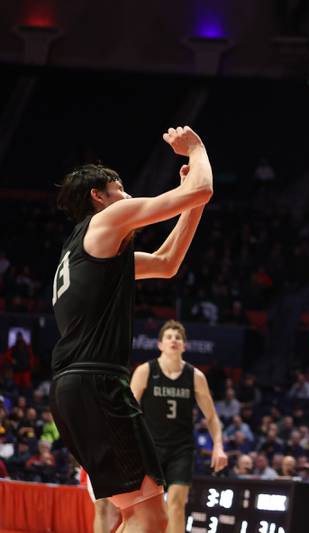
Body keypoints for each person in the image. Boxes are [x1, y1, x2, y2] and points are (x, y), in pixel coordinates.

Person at [49, 126, 213, 532]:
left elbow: (167, 261)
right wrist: (196, 149)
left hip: (76, 388)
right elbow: (203, 189)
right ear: (98, 196)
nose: (127, 196)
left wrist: (191, 204)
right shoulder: (107, 221)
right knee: (148, 518)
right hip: (96, 385)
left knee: (138, 515)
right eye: (120, 188)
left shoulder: (87, 251)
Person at [130, 320, 228, 533]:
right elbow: (128, 412)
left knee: (175, 504)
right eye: (169, 337)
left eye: (178, 337)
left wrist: (218, 446)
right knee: (143, 512)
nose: (174, 340)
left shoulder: (195, 376)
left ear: (184, 346)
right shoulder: (145, 371)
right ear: (160, 345)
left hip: (180, 450)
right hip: (150, 448)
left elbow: (211, 417)